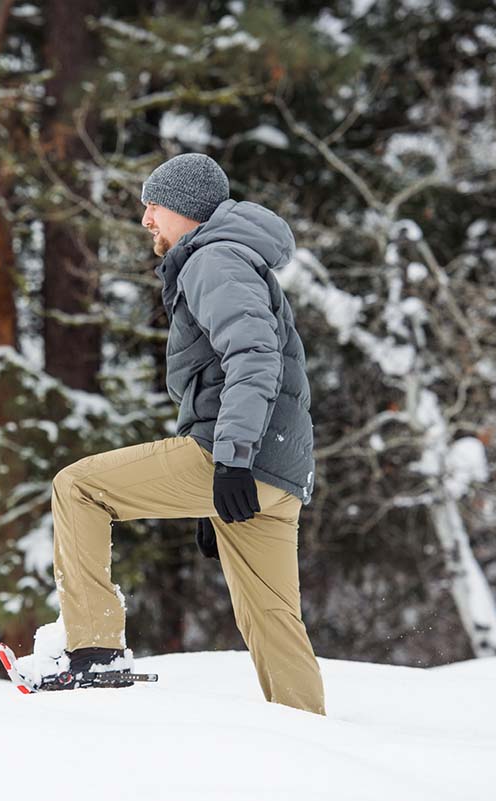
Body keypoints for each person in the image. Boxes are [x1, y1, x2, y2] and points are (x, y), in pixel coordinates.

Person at [42, 153, 326, 715]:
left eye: (155, 205)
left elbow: (253, 357)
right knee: (272, 618)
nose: (146, 219)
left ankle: (94, 652)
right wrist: (214, 491)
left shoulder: (213, 259)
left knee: (78, 488)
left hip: (242, 456)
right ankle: (307, 733)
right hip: (279, 470)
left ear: (187, 208)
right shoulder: (235, 258)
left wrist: (230, 460)